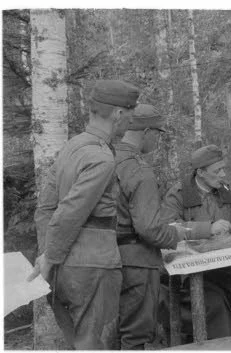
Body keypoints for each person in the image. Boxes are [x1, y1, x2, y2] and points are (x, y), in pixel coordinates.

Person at [29, 80, 139, 349]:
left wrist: (48, 254)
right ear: (118, 114)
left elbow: (45, 208)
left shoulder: (71, 147)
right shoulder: (102, 158)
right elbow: (70, 212)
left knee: (78, 344)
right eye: (131, 116)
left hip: (62, 269)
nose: (130, 123)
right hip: (93, 268)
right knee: (94, 344)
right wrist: (50, 258)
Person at [114, 104, 211, 349]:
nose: (157, 140)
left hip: (108, 258)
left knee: (114, 332)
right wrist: (176, 234)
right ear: (146, 132)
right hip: (137, 261)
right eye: (157, 133)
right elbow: (150, 229)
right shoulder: (138, 169)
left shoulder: (106, 156)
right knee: (136, 335)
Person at [162, 144, 231, 340]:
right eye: (218, 171)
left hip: (225, 271)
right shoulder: (178, 194)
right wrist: (208, 228)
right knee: (216, 304)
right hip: (191, 277)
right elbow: (167, 227)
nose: (223, 174)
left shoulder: (223, 190)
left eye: (223, 169)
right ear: (200, 173)